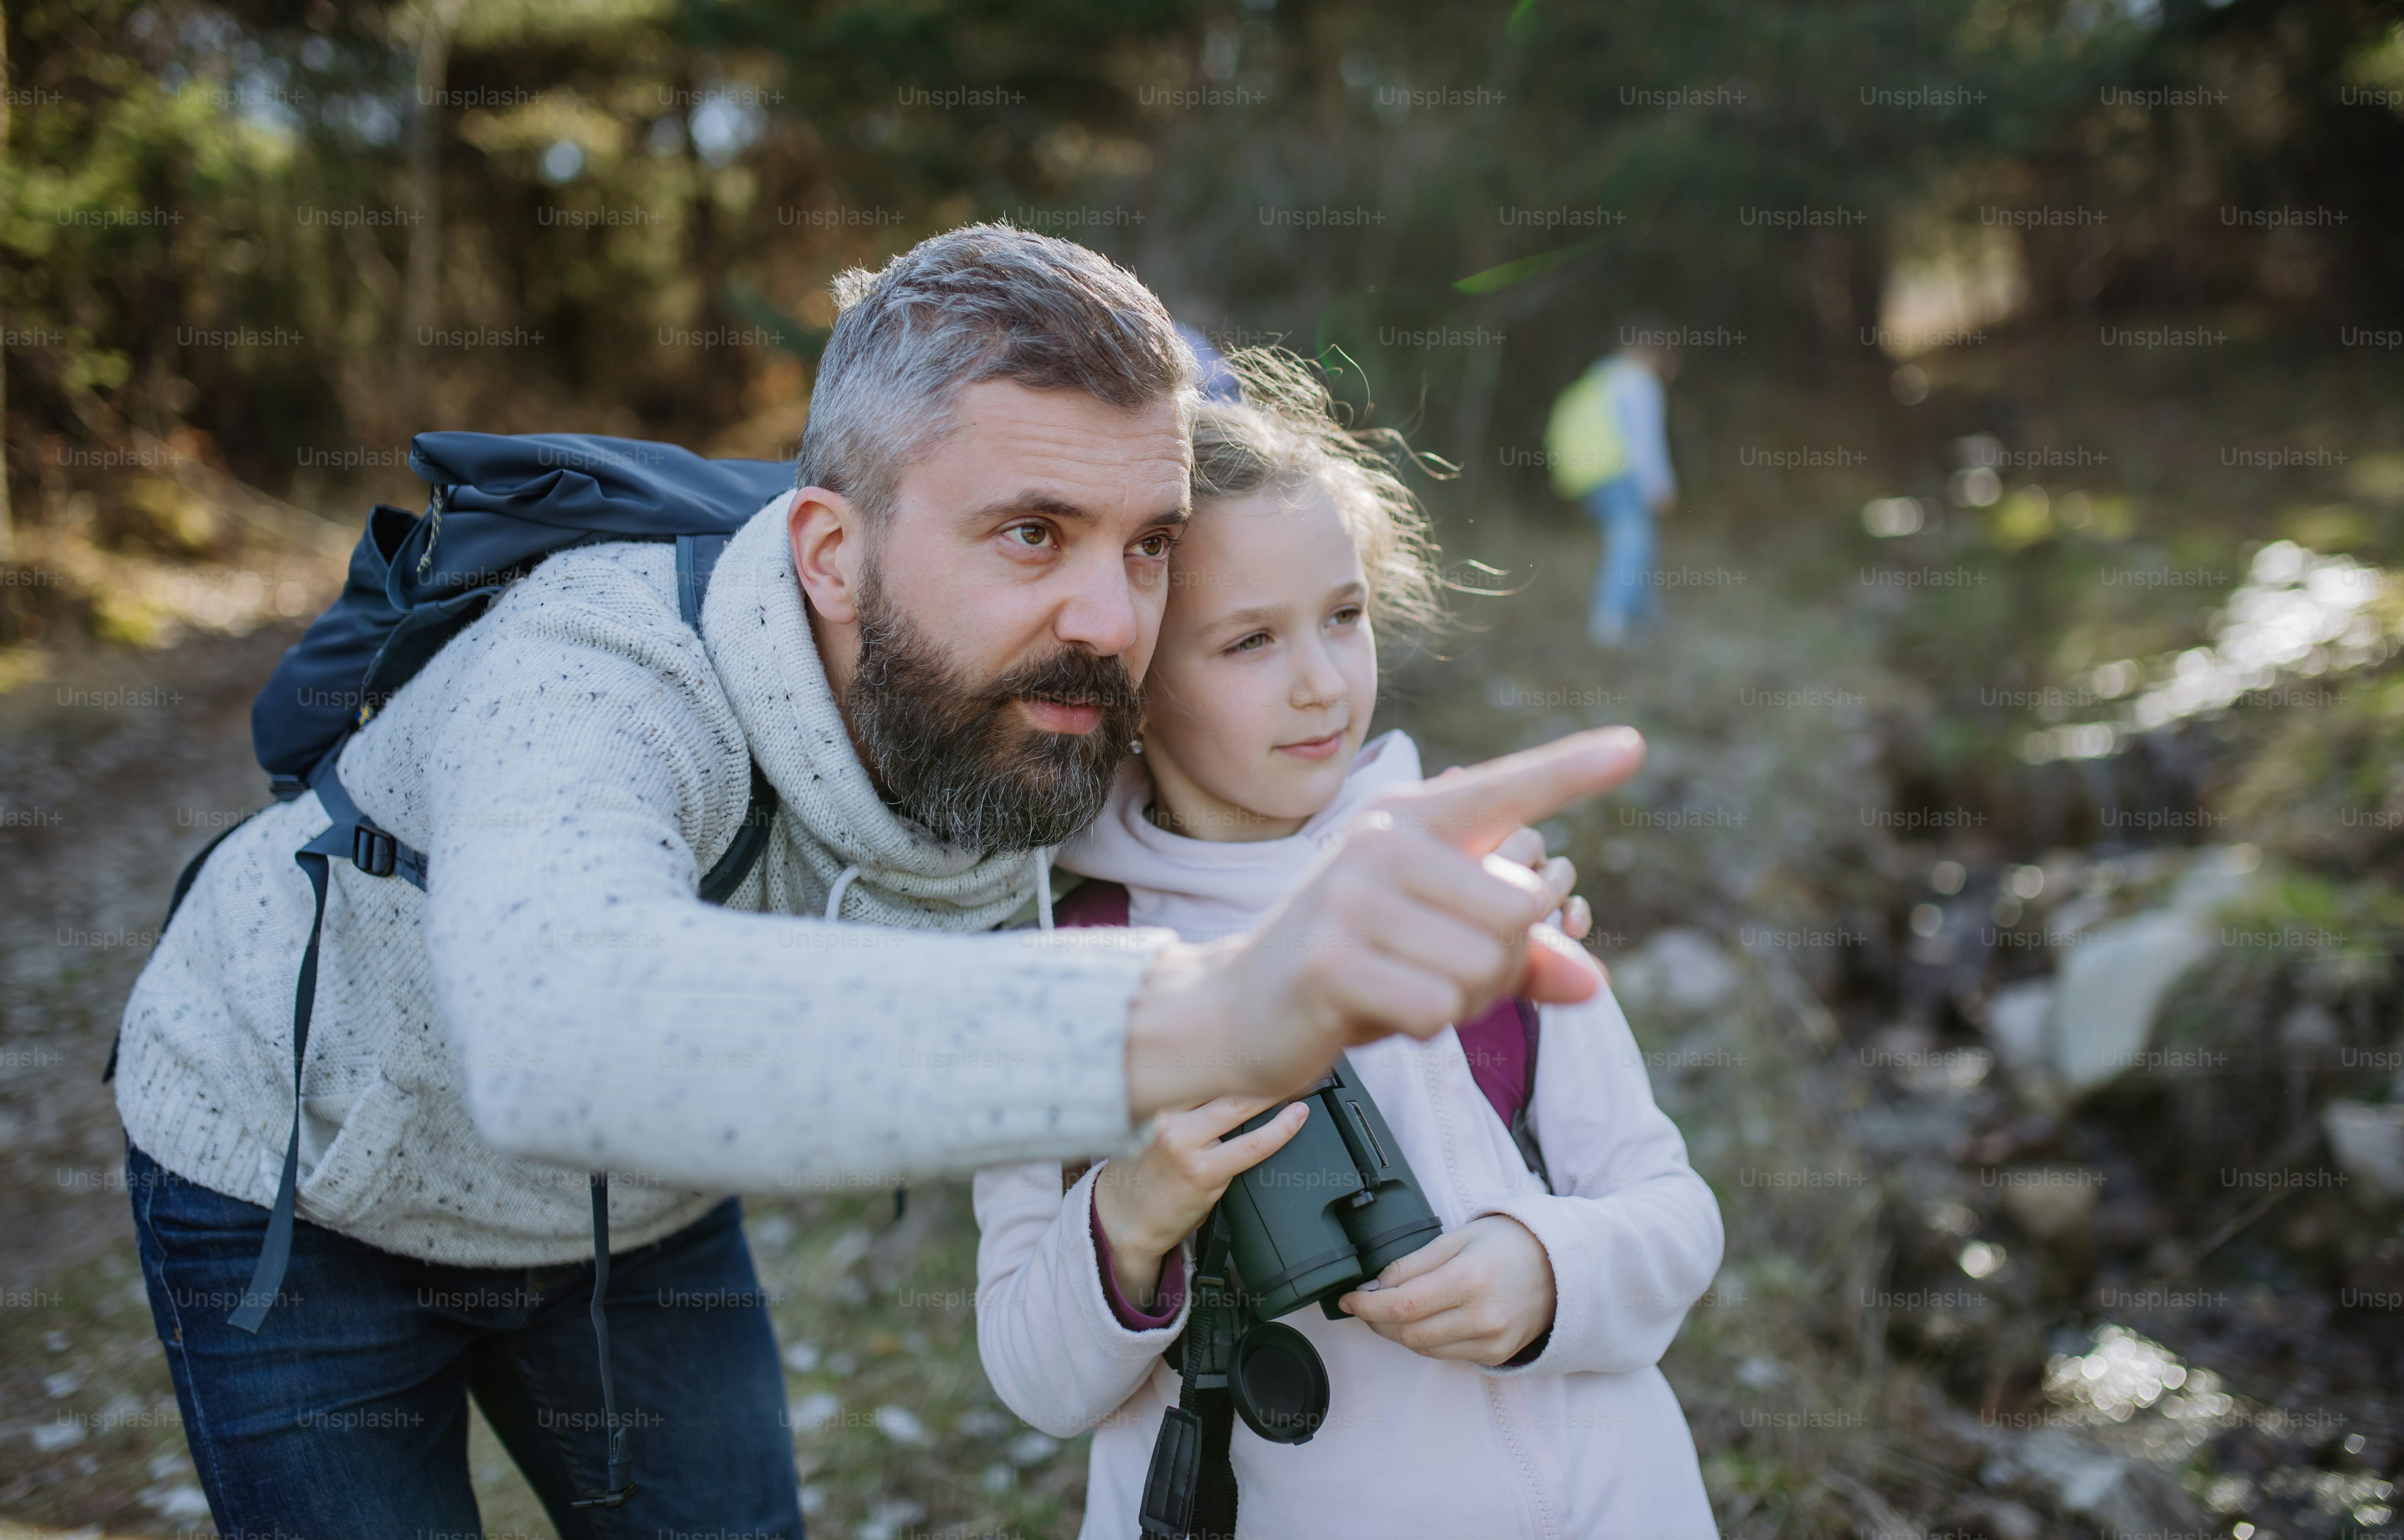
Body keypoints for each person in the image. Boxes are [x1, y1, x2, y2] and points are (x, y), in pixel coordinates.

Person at [113, 224, 1645, 1538]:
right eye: (1033, 531)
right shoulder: (593, 667)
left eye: (1150, 543)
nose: (1111, 617)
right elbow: (556, 1025)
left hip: (627, 1212)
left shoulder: (1043, 706)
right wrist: (1203, 1013)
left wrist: (1468, 902)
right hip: (296, 1174)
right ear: (831, 555)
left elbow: (1254, 807)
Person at [973, 352, 1722, 1539]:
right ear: (1138, 681)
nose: (1323, 684)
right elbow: (1035, 1379)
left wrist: (1548, 1270)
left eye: (1344, 617)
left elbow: (1672, 1213)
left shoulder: (1478, 884)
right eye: (1250, 643)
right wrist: (1136, 1209)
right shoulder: (1069, 970)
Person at [1545, 323, 1681, 646]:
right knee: (1630, 543)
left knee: (1638, 542)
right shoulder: (1638, 383)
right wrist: (1661, 487)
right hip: (1617, 473)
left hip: (1588, 478)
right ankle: (1610, 620)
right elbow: (1645, 442)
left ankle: (1644, 619)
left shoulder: (1600, 379)